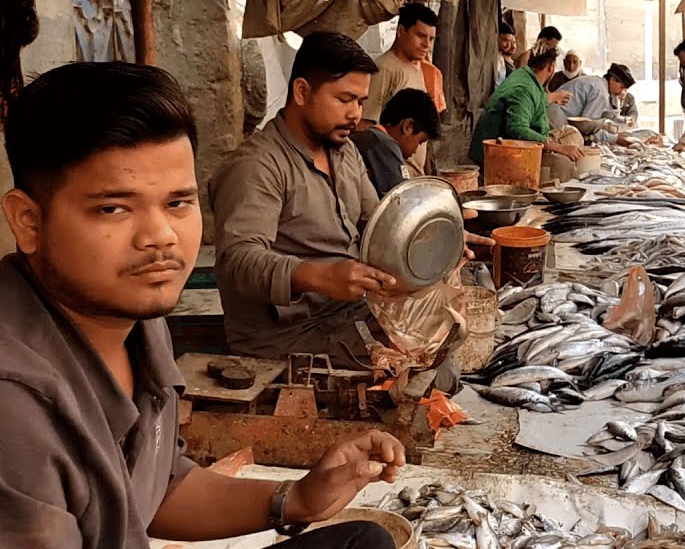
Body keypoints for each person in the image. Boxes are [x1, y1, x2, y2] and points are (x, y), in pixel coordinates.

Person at [0, 60, 405, 548]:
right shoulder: (14, 407)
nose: (161, 237)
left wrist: (295, 500)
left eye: (177, 203)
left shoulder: (136, 323)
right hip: (282, 327)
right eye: (113, 208)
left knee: (361, 542)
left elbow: (157, 487)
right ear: (27, 221)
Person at [210, 32, 405, 364]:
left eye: (360, 101)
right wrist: (322, 277)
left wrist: (432, 237)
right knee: (421, 371)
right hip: (287, 337)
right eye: (344, 100)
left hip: (349, 313)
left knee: (443, 333)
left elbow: (379, 220)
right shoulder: (257, 166)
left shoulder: (345, 152)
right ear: (302, 92)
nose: (355, 114)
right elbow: (237, 262)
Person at [469, 46, 585, 167]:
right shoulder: (524, 89)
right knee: (567, 151)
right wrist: (558, 147)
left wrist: (553, 98)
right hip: (497, 157)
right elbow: (517, 128)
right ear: (551, 67)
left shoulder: (523, 74)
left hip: (497, 148)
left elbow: (530, 101)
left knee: (571, 134)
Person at [361, 3, 439, 176]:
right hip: (393, 176)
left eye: (431, 39)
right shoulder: (384, 69)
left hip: (415, 176)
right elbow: (365, 128)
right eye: (420, 36)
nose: (426, 44)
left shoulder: (420, 67)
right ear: (401, 31)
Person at [351, 88, 440, 197]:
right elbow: (401, 201)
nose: (416, 150)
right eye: (420, 141)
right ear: (408, 126)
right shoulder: (385, 144)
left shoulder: (369, 139)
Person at [557, 64, 645, 146]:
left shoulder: (598, 83)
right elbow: (587, 128)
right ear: (612, 80)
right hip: (556, 120)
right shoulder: (601, 92)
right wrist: (616, 138)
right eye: (621, 87)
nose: (621, 92)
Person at [497, 21, 517, 86]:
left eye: (511, 41)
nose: (509, 45)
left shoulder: (500, 58)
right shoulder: (494, 58)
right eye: (505, 40)